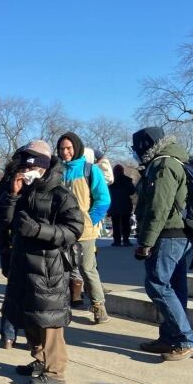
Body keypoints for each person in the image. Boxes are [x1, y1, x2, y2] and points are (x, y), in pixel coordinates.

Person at [0, 140, 83, 384]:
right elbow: (3, 221)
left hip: (49, 267)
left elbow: (74, 229)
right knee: (30, 317)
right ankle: (39, 358)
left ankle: (55, 369)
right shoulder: (19, 189)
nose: (26, 171)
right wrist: (11, 195)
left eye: (31, 166)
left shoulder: (60, 194)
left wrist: (38, 230)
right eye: (23, 166)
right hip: (22, 264)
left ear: (43, 167)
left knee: (49, 320)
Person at [132, 127, 193, 361]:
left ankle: (186, 339)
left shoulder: (162, 165)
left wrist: (146, 241)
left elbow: (158, 207)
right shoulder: (176, 159)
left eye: (135, 148)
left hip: (168, 235)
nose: (134, 153)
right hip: (180, 234)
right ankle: (171, 337)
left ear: (144, 146)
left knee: (157, 284)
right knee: (175, 286)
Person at [56, 132, 111, 323]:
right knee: (60, 270)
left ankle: (98, 306)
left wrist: (90, 220)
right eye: (62, 148)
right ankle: (61, 307)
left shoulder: (90, 170)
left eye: (69, 148)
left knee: (88, 269)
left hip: (85, 231)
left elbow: (103, 199)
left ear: (77, 148)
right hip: (61, 230)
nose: (65, 152)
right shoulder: (56, 171)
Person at [0, 148, 27, 349]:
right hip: (15, 242)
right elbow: (3, 218)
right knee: (17, 291)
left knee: (19, 291)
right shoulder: (9, 185)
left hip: (21, 242)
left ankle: (12, 334)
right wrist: (14, 194)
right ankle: (9, 333)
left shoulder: (38, 184)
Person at [108, 164, 136, 246]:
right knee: (126, 223)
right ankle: (126, 240)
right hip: (125, 204)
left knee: (115, 223)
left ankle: (117, 241)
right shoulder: (126, 180)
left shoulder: (111, 181)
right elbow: (132, 191)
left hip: (114, 205)